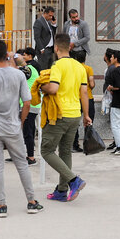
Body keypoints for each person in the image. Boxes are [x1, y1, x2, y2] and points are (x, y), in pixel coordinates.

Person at [0, 39, 43, 217]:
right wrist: (21, 121)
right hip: (13, 124)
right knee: (22, 164)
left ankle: (1, 206)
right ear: (7, 53)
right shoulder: (19, 75)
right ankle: (31, 201)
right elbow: (27, 103)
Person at [39, 33, 90, 202]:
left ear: (56, 48)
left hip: (59, 115)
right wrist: (86, 115)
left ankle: (74, 180)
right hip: (75, 114)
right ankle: (61, 190)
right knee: (65, 151)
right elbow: (84, 92)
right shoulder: (79, 67)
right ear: (70, 47)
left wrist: (41, 85)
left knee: (46, 150)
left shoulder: (57, 65)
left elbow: (53, 88)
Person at [15, 50, 40, 165]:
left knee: (28, 132)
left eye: (24, 55)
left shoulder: (28, 69)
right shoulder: (30, 68)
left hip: (29, 105)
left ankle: (31, 157)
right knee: (25, 132)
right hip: (28, 104)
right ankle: (24, 155)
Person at [70, 49, 95, 153]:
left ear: (75, 58)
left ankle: (74, 145)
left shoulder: (73, 69)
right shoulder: (88, 68)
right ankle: (88, 145)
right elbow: (92, 84)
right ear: (85, 58)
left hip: (76, 98)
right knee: (88, 122)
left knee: (75, 123)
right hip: (87, 98)